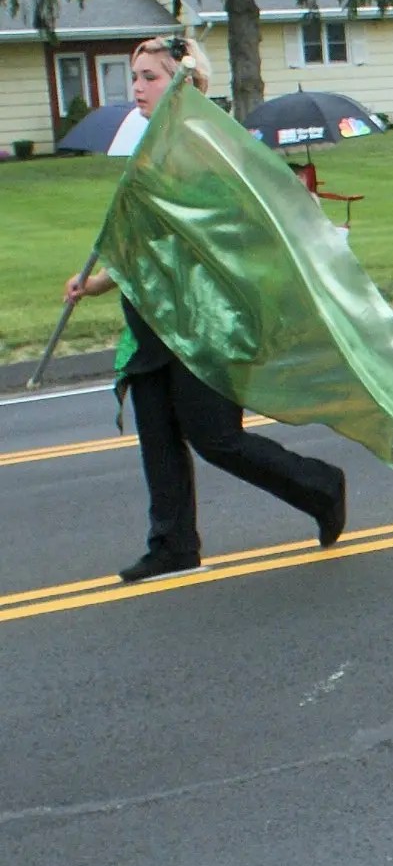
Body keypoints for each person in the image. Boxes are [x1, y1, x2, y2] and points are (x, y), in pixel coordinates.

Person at [62, 37, 347, 583]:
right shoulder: (152, 153)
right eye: (136, 77)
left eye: (150, 77)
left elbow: (254, 213)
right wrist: (94, 283)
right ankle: (172, 543)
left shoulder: (207, 149)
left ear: (184, 83)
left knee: (216, 437)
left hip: (202, 322)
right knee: (159, 437)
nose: (138, 88)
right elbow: (145, 246)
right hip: (149, 320)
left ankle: (321, 486)